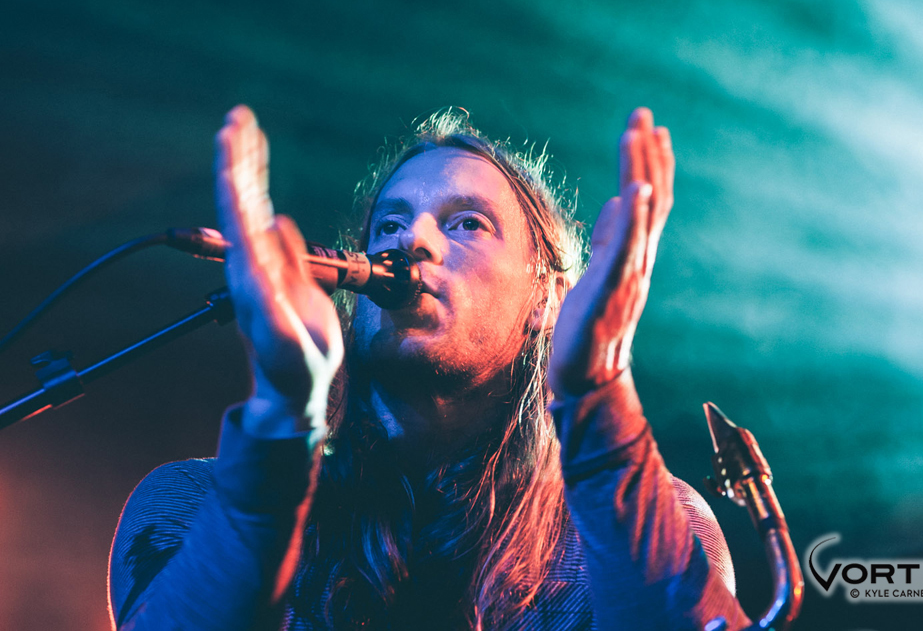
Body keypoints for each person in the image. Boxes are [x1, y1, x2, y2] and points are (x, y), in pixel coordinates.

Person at [108, 105, 751, 630]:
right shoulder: (189, 503)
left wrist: (597, 398)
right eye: (388, 223)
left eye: (468, 223)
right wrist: (281, 412)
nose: (410, 239)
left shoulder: (653, 521)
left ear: (547, 300)